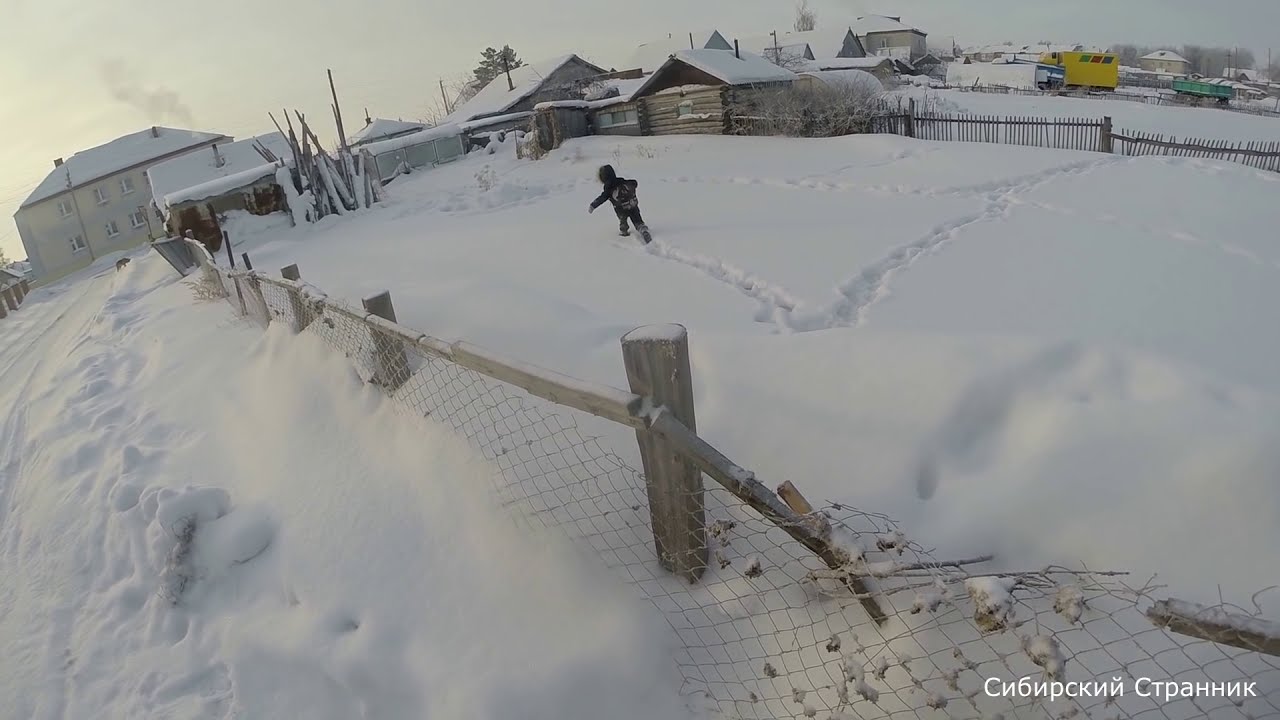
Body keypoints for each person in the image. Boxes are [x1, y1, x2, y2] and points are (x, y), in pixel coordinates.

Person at [588, 164, 651, 243]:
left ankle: (624, 230)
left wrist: (593, 205)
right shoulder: (621, 181)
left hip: (621, 208)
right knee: (637, 218)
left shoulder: (608, 188)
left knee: (622, 219)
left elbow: (602, 198)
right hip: (632, 204)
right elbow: (634, 183)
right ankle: (643, 229)